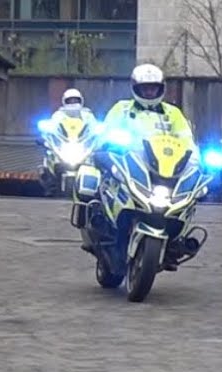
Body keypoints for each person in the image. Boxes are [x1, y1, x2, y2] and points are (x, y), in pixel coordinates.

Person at [82, 63, 199, 254]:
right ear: (135, 88)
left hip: (165, 168)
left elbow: (187, 140)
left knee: (195, 191)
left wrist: (195, 159)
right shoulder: (122, 109)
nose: (150, 92)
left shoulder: (173, 114)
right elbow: (106, 132)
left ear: (161, 88)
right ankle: (101, 221)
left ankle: (176, 237)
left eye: (153, 88)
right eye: (145, 88)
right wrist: (107, 143)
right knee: (102, 181)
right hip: (131, 166)